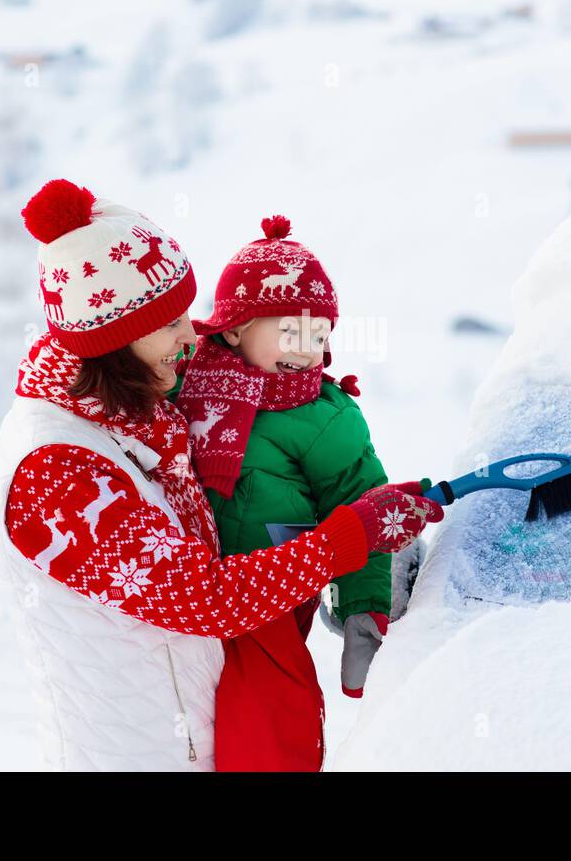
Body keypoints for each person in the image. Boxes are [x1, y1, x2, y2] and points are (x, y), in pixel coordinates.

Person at [0, 179, 443, 771]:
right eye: (169, 323)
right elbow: (204, 596)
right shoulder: (54, 472)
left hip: (202, 744)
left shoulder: (132, 409)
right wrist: (348, 537)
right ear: (114, 341)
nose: (190, 336)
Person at [172, 214, 410, 772]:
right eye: (290, 331)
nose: (307, 351)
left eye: (320, 335)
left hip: (274, 587)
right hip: (190, 582)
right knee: (188, 703)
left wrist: (362, 612)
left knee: (271, 703)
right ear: (232, 328)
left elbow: (363, 508)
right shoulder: (187, 380)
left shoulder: (326, 417)